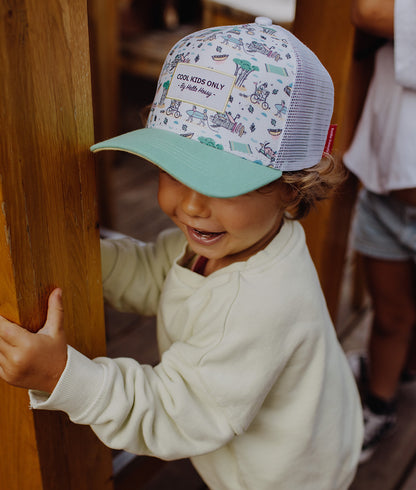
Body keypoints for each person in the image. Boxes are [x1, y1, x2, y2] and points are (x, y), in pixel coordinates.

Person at [0, 18, 363, 489]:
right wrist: (69, 259)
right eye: (175, 169)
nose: (191, 204)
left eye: (222, 183)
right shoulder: (241, 237)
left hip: (283, 474)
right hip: (289, 426)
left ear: (292, 191)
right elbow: (157, 274)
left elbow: (175, 412)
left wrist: (62, 374)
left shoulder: (261, 304)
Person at [344, 0, 416, 464]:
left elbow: (370, 11)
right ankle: (380, 401)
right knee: (389, 314)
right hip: (385, 192)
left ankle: (400, 371)